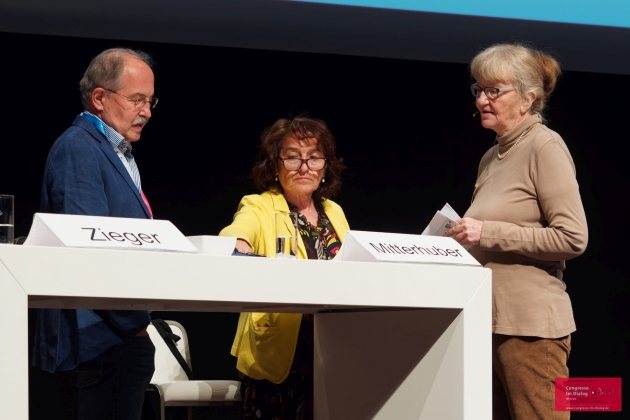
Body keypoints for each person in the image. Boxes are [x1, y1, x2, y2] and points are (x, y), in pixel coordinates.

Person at [445, 43, 588, 419]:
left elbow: (572, 237)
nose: (481, 100)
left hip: (531, 329)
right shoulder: (491, 157)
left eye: (494, 91)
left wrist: (486, 232)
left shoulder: (545, 146)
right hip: (487, 322)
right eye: (479, 90)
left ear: (528, 98)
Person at [32, 48, 159, 419]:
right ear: (100, 98)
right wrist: (135, 326)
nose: (147, 111)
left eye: (151, 101)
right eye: (137, 100)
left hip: (115, 342)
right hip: (96, 347)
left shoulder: (116, 152)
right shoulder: (79, 148)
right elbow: (89, 247)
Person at [220, 116, 350, 419]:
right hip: (280, 356)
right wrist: (240, 247)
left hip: (331, 352)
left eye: (314, 158)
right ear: (274, 166)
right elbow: (233, 237)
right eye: (292, 157)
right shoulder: (259, 205)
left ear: (325, 167)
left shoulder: (334, 211)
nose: (305, 167)